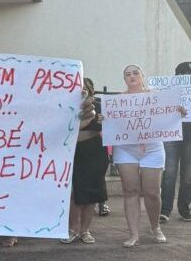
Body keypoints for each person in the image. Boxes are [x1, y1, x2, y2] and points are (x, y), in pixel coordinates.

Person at [113, 65, 185, 247]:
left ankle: (155, 228)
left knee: (152, 192)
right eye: (127, 74)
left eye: (135, 72)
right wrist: (104, 119)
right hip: (126, 149)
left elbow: (170, 113)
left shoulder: (157, 95)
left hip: (152, 148)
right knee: (130, 191)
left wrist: (179, 112)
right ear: (124, 79)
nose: (132, 76)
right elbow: (113, 123)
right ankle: (133, 234)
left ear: (143, 76)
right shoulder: (118, 100)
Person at [61, 78, 109, 244]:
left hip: (95, 152)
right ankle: (71, 230)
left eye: (85, 89)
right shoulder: (66, 107)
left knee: (92, 193)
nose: (82, 92)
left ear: (91, 91)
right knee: (74, 193)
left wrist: (106, 120)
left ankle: (85, 231)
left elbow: (114, 127)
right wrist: (86, 122)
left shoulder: (101, 105)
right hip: (73, 152)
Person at [160, 61, 191, 222]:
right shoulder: (169, 91)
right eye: (185, 73)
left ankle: (185, 208)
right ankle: (164, 209)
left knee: (188, 175)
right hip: (172, 134)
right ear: (178, 76)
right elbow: (159, 109)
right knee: (170, 173)